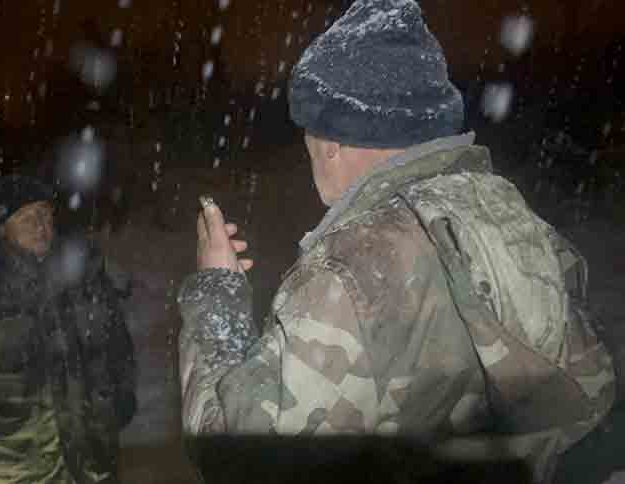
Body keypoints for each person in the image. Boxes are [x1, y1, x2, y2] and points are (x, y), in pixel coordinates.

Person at [176, 1, 617, 483]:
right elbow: (585, 397)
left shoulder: (348, 273)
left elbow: (238, 457)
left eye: (308, 137)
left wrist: (217, 294)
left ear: (332, 142)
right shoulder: (510, 219)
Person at [0, 174, 137, 484]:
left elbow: (115, 341)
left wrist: (121, 394)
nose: (40, 225)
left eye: (44, 213)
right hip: (18, 466)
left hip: (91, 457)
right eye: (26, 218)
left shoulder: (83, 273)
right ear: (2, 229)